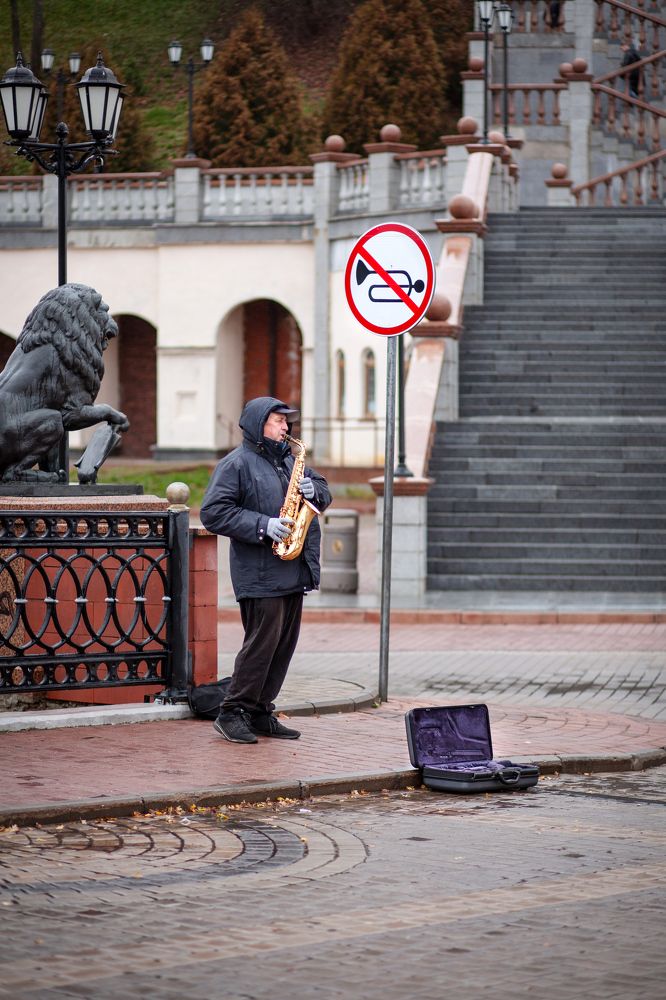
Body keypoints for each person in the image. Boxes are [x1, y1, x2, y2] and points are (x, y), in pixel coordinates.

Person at [199, 396, 332, 744]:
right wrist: (263, 525)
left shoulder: (291, 460)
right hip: (259, 573)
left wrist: (314, 489)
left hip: (293, 567)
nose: (286, 427)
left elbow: (325, 492)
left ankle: (259, 711)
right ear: (259, 424)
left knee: (282, 646)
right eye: (278, 421)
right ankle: (231, 712)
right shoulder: (236, 464)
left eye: (287, 422)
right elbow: (213, 512)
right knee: (261, 645)